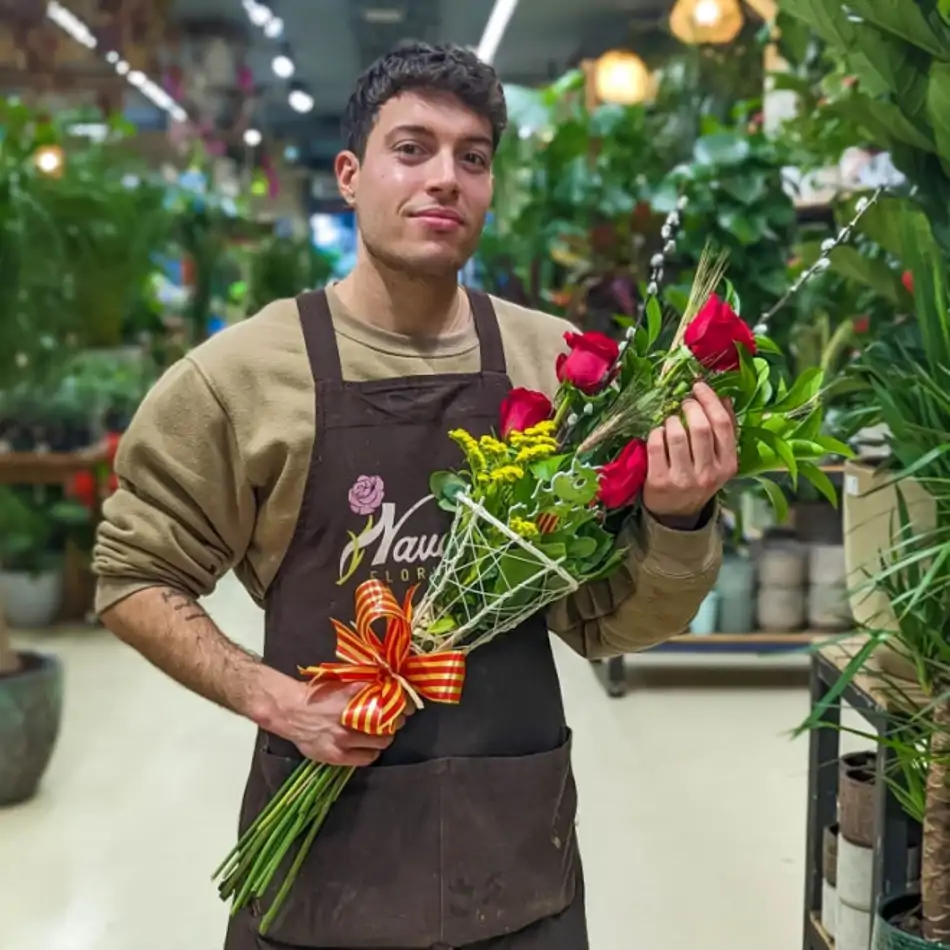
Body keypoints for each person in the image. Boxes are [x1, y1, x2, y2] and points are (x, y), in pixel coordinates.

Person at [94, 41, 736, 950]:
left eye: (471, 157)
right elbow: (132, 577)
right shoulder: (241, 378)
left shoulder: (556, 370)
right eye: (413, 148)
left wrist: (676, 517)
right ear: (350, 175)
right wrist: (275, 700)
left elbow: (609, 625)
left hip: (513, 862)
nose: (445, 179)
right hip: (320, 864)